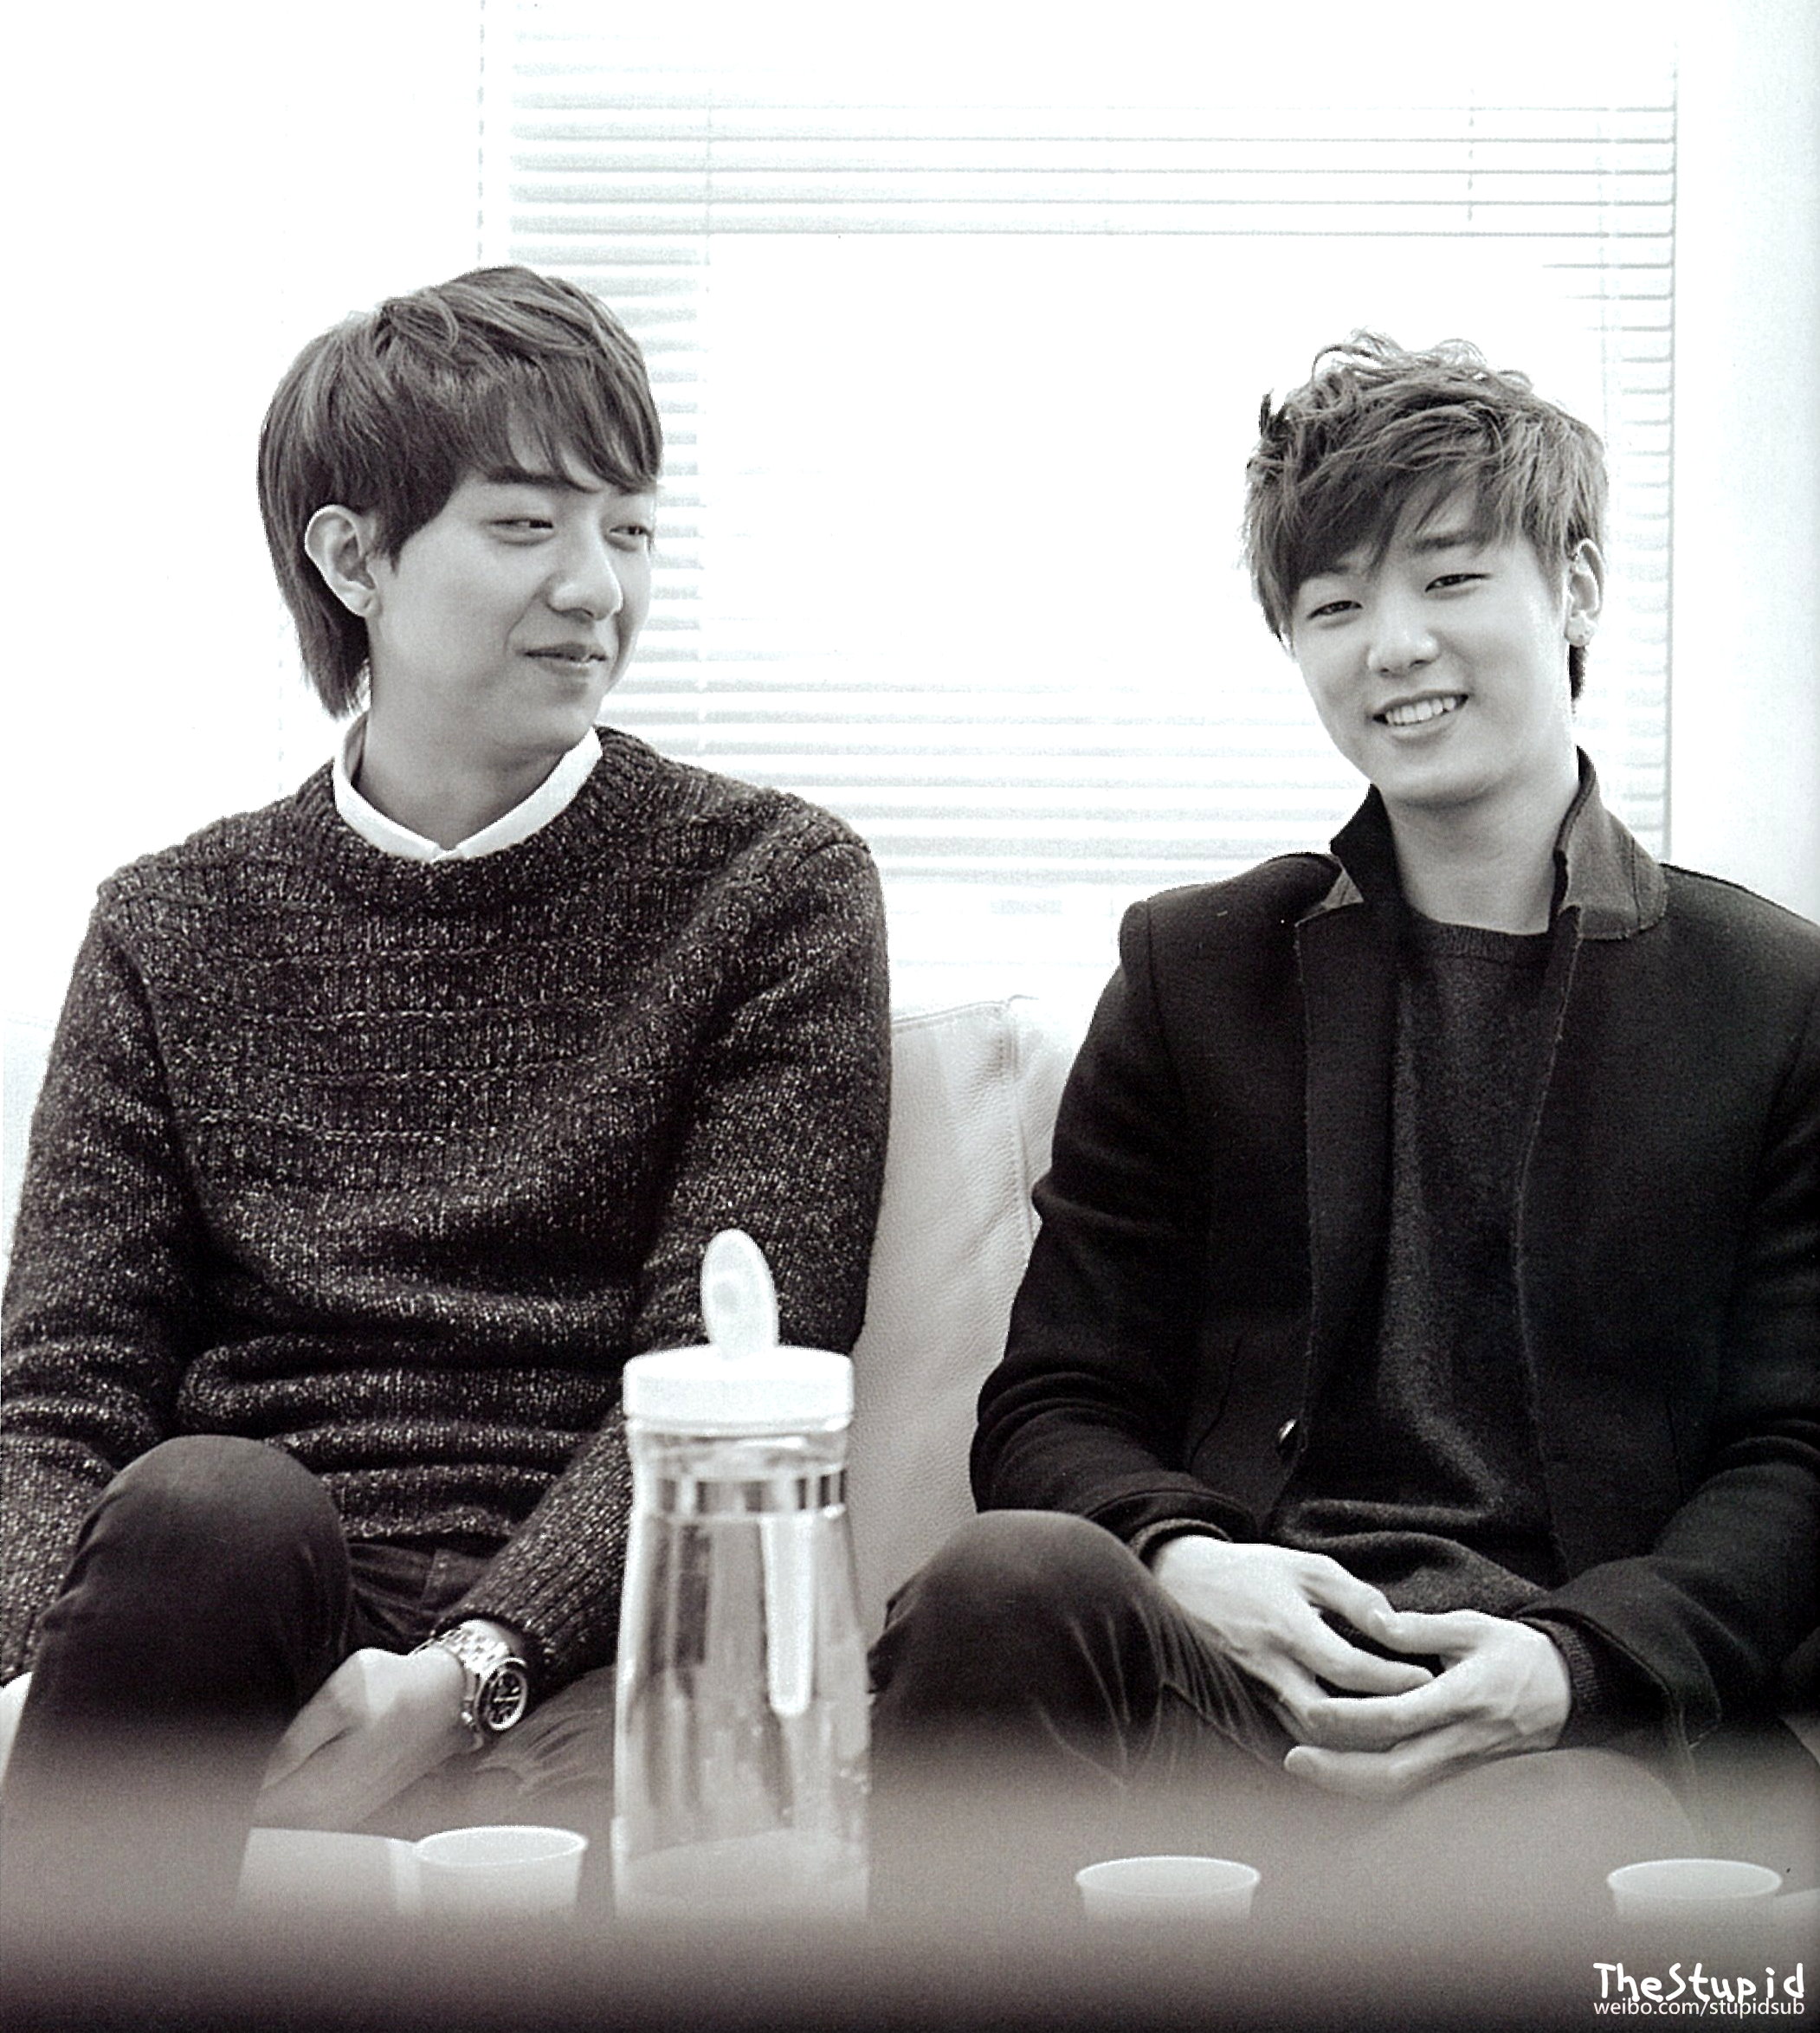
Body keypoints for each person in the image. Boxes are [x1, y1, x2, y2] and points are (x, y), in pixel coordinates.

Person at [869, 334, 1819, 1939]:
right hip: (1230, 1683)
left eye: (1448, 578)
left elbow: (1793, 1455)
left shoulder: (1766, 998)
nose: (1394, 647)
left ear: (1576, 589)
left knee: (1535, 1865)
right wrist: (1184, 1559)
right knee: (1004, 1581)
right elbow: (1052, 1402)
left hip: (1555, 1728)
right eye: (1332, 606)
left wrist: (1574, 1661)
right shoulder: (1194, 971)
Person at [0, 267, 891, 1937]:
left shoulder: (771, 887)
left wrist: (475, 1664)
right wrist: (49, 1676)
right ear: (356, 560)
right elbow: (62, 1396)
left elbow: (725, 1377)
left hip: (591, 1639)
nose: (596, 588)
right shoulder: (170, 924)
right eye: (527, 525)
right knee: (206, 1503)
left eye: (630, 529)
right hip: (241, 1603)